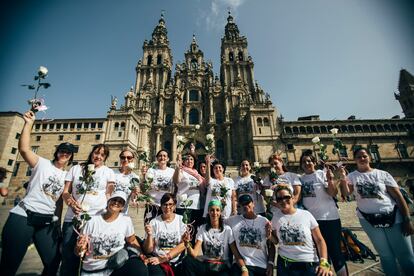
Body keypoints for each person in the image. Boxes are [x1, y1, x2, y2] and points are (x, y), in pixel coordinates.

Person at [0, 110, 76, 276]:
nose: (64, 154)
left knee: (54, 261)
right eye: (62, 150)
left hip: (46, 222)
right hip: (23, 217)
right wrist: (28, 124)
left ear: (71, 158)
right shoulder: (41, 163)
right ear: (56, 152)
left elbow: (59, 202)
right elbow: (25, 149)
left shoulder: (67, 176)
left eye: (68, 153)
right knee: (9, 265)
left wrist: (58, 226)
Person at [339, 147, 414, 275]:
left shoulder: (382, 174)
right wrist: (342, 178)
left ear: (370, 157)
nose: (362, 159)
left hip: (393, 218)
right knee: (385, 256)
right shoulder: (352, 176)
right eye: (359, 157)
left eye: (364, 156)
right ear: (354, 160)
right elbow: (346, 193)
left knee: (405, 254)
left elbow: (398, 197)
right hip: (369, 220)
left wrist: (407, 219)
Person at [60, 144, 115, 276]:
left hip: (96, 220)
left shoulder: (109, 172)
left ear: (105, 158)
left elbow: (109, 196)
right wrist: (71, 203)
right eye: (96, 153)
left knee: (92, 258)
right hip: (73, 219)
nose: (98, 157)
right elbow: (66, 192)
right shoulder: (76, 168)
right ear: (92, 153)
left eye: (102, 155)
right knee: (68, 258)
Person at [75, 191, 148, 276]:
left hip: (115, 266)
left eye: (120, 202)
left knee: (139, 269)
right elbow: (77, 251)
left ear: (122, 207)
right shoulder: (92, 221)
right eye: (114, 199)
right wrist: (80, 248)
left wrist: (141, 254)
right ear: (108, 201)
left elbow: (132, 240)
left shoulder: (126, 220)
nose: (116, 202)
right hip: (93, 270)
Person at [299, 150, 347, 276]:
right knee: (321, 254)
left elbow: (333, 193)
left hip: (329, 218)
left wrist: (330, 180)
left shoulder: (321, 173)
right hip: (312, 223)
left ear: (314, 162)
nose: (307, 163)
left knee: (335, 252)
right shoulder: (301, 179)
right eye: (304, 162)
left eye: (309, 160)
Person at [271, 185, 332, 276]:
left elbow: (319, 240)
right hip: (285, 264)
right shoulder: (276, 217)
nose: (283, 200)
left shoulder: (306, 214)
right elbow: (276, 241)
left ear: (292, 197)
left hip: (308, 262)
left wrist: (324, 262)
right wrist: (269, 235)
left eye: (286, 197)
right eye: (279, 198)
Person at [182, 200, 251, 276]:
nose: (215, 213)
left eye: (217, 210)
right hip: (207, 265)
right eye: (212, 210)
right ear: (208, 211)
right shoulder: (203, 228)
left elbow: (235, 253)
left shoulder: (227, 229)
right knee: (187, 260)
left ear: (220, 212)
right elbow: (194, 254)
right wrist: (187, 243)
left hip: (222, 266)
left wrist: (244, 269)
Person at [226, 194, 275, 276]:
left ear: (253, 204)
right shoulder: (233, 220)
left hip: (261, 265)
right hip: (241, 265)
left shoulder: (263, 221)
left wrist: (270, 263)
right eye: (242, 204)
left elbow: (271, 244)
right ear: (240, 206)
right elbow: (216, 221)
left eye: (248, 203)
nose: (245, 206)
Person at [143, 193, 187, 275]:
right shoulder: (154, 222)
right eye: (165, 205)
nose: (167, 207)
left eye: (170, 204)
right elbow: (148, 250)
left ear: (174, 206)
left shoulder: (181, 220)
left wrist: (166, 257)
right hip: (157, 260)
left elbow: (184, 244)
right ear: (161, 206)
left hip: (175, 260)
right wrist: (149, 235)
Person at [173, 151, 205, 229]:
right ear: (183, 161)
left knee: (193, 229)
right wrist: (177, 167)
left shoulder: (196, 174)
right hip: (183, 205)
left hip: (196, 205)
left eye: (191, 159)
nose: (189, 161)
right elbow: (177, 181)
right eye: (187, 159)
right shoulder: (181, 171)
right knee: (183, 229)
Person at [143, 149, 175, 220]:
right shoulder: (151, 170)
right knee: (150, 229)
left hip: (167, 206)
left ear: (168, 159)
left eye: (164, 156)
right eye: (160, 156)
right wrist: (143, 175)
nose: (162, 157)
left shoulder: (172, 171)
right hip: (153, 205)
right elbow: (146, 185)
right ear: (157, 158)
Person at [112, 149, 139, 214]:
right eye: (123, 157)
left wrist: (135, 193)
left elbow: (133, 198)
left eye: (129, 158)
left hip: (123, 213)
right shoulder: (112, 173)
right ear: (120, 159)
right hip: (108, 209)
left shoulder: (135, 177)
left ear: (133, 160)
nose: (126, 159)